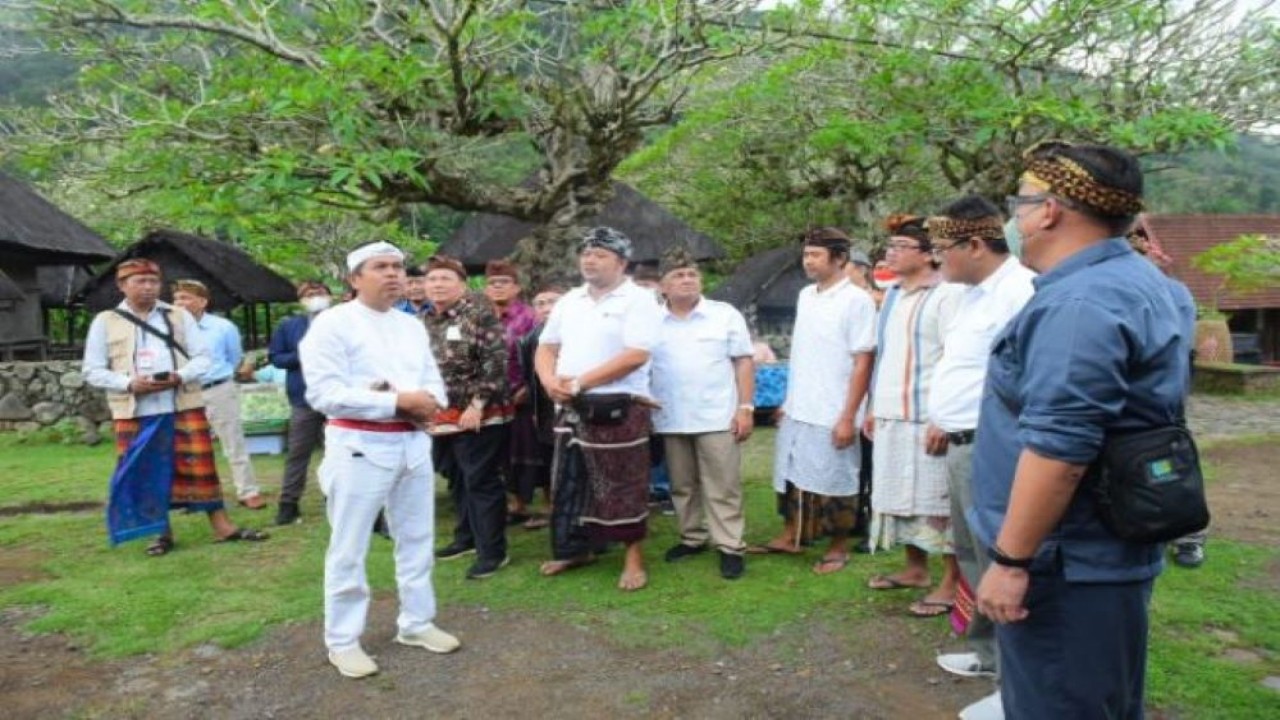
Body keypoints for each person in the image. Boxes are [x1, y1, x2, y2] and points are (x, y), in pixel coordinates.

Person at [973, 141, 1193, 718]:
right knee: (1102, 699)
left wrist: (1012, 562)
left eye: (1019, 204)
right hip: (1100, 550)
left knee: (1062, 702)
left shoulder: (1080, 303)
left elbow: (1060, 450)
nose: (1013, 219)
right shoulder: (1145, 282)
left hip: (1066, 561)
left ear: (1048, 211)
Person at [300, 241, 459, 679]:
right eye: (380, 267)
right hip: (359, 446)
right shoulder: (332, 324)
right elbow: (323, 393)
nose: (393, 274)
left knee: (417, 538)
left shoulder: (410, 325)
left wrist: (429, 401)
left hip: (412, 444)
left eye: (398, 267)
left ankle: (417, 622)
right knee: (349, 546)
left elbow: (432, 380)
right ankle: (343, 640)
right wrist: (395, 401)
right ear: (355, 278)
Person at [925, 195, 1037, 716]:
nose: (936, 258)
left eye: (942, 248)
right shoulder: (971, 293)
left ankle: (1017, 683)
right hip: (961, 442)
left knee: (1001, 558)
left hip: (994, 447)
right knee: (972, 554)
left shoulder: (1019, 292)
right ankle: (991, 656)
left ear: (974, 244)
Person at [83, 259, 269, 555]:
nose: (147, 287)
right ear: (122, 285)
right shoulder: (106, 321)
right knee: (144, 471)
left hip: (181, 404)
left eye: (153, 282)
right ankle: (160, 533)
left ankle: (224, 527)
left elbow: (203, 358)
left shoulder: (179, 316)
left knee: (200, 466)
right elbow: (92, 370)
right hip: (134, 410)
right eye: (139, 281)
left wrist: (178, 376)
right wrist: (129, 383)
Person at [534, 226, 663, 592]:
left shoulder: (638, 299)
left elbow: (636, 354)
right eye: (586, 253)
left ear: (622, 262)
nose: (589, 259)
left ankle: (633, 557)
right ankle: (577, 549)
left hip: (620, 406)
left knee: (623, 483)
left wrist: (580, 382)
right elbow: (546, 347)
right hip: (570, 404)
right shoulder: (569, 299)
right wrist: (549, 381)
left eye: (600, 254)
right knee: (570, 480)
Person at [754, 228, 876, 575]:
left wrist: (848, 415)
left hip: (834, 406)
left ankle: (838, 546)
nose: (808, 261)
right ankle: (792, 533)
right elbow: (805, 352)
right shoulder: (806, 295)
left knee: (835, 478)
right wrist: (788, 400)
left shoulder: (857, 301)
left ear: (839, 259)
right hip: (800, 403)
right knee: (791, 472)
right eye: (806, 255)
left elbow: (863, 360)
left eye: (815, 255)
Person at [864, 214, 965, 617]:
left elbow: (956, 358)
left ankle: (951, 580)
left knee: (937, 501)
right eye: (890, 246)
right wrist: (873, 406)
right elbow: (884, 355)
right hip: (891, 413)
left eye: (900, 247)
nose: (890, 252)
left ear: (928, 255)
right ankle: (914, 569)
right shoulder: (891, 295)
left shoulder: (947, 295)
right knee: (896, 496)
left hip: (928, 416)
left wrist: (944, 416)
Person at [650, 247, 755, 580]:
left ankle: (730, 546)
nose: (687, 280)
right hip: (670, 416)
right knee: (682, 484)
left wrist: (746, 408)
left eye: (692, 274)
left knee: (722, 485)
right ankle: (692, 537)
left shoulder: (724, 314)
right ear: (662, 286)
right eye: (678, 275)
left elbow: (743, 361)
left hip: (717, 415)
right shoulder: (650, 320)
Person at [424, 255, 515, 580]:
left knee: (481, 480)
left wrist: (477, 404)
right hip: (442, 415)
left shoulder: (478, 313)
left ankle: (493, 551)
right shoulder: (426, 320)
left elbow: (496, 361)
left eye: (445, 279)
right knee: (457, 479)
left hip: (480, 413)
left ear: (462, 284)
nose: (437, 285)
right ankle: (466, 538)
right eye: (432, 279)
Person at [1129, 227, 1205, 569]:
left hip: (1163, 398)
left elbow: (1180, 343)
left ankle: (1187, 533)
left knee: (1170, 460)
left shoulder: (1174, 293)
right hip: (1161, 396)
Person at [169, 279, 265, 510]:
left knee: (233, 441)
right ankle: (194, 495)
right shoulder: (168, 328)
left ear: (202, 301)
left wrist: (218, 377)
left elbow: (233, 358)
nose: (179, 303)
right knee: (187, 446)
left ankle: (247, 491)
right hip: (184, 392)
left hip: (218, 388)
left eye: (185, 297)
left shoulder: (223, 327)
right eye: (177, 298)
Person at [267, 280, 333, 526]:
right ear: (300, 300)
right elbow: (276, 357)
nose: (315, 297)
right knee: (298, 452)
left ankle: (335, 497)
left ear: (330, 296)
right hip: (303, 399)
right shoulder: (289, 326)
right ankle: (288, 504)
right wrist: (305, 354)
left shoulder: (343, 322)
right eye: (309, 294)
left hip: (337, 399)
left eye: (320, 292)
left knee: (338, 452)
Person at [483, 259, 540, 525]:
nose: (497, 287)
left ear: (517, 288)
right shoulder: (481, 317)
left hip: (524, 394)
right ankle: (516, 504)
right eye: (492, 283)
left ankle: (549, 505)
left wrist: (530, 386)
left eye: (504, 283)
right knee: (502, 452)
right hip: (491, 396)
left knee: (531, 449)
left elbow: (541, 355)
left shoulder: (530, 317)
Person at [512, 284, 566, 530]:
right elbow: (530, 379)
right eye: (540, 303)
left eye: (552, 301)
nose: (547, 308)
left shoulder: (579, 333)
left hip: (575, 406)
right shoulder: (528, 339)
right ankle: (557, 512)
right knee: (552, 460)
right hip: (543, 410)